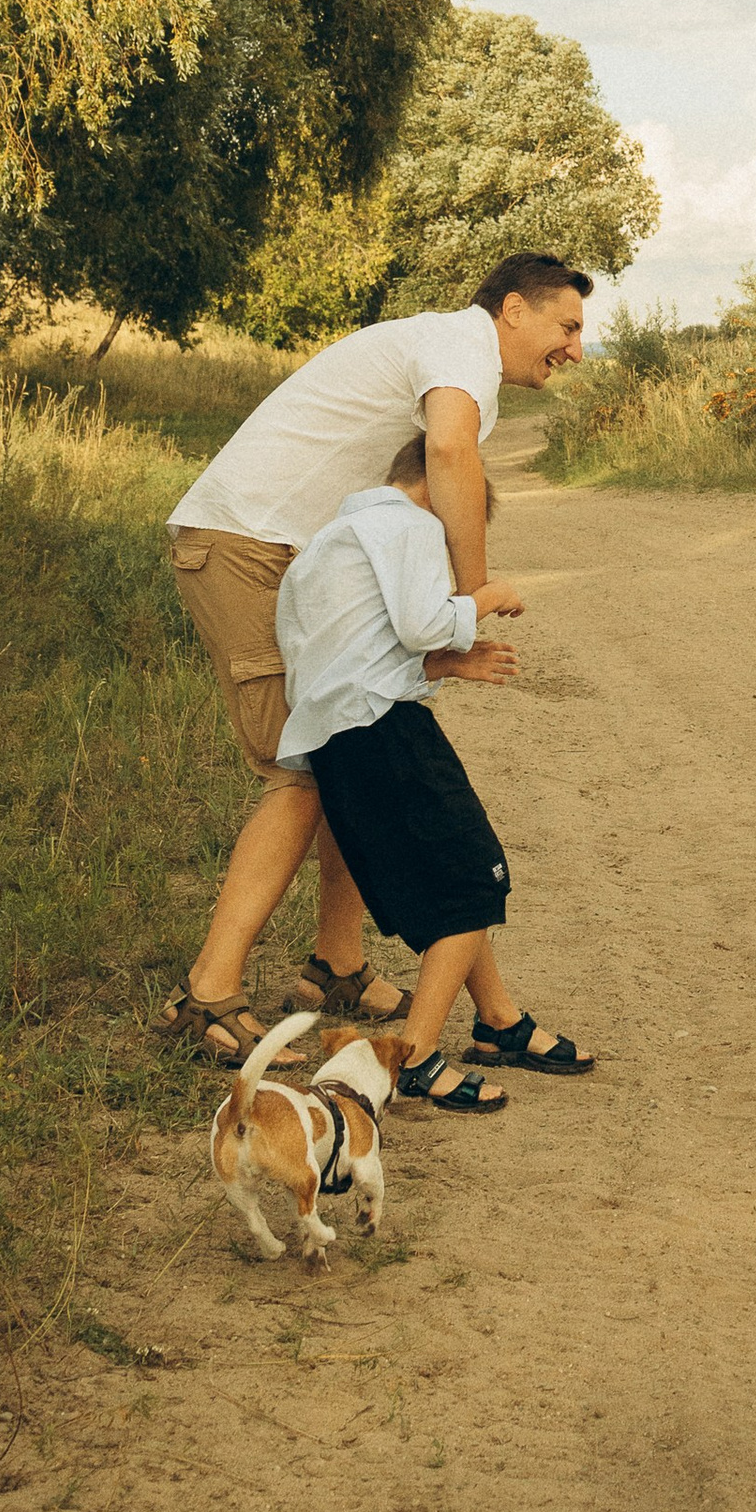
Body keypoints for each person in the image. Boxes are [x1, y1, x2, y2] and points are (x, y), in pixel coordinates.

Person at [156, 254, 591, 1067]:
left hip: (280, 549)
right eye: (566, 326)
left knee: (349, 745)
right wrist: (468, 598)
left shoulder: (449, 350)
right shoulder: (461, 348)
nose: (575, 348)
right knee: (304, 769)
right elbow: (451, 457)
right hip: (246, 544)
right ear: (511, 312)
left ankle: (339, 963)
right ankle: (206, 996)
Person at [275, 432, 594, 1108]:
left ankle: (498, 1021)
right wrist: (483, 598)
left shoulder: (332, 541)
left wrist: (443, 667)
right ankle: (414, 1057)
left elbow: (349, 655)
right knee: (473, 873)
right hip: (384, 731)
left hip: (339, 739)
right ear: (449, 488)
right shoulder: (410, 523)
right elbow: (422, 623)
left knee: (452, 878)